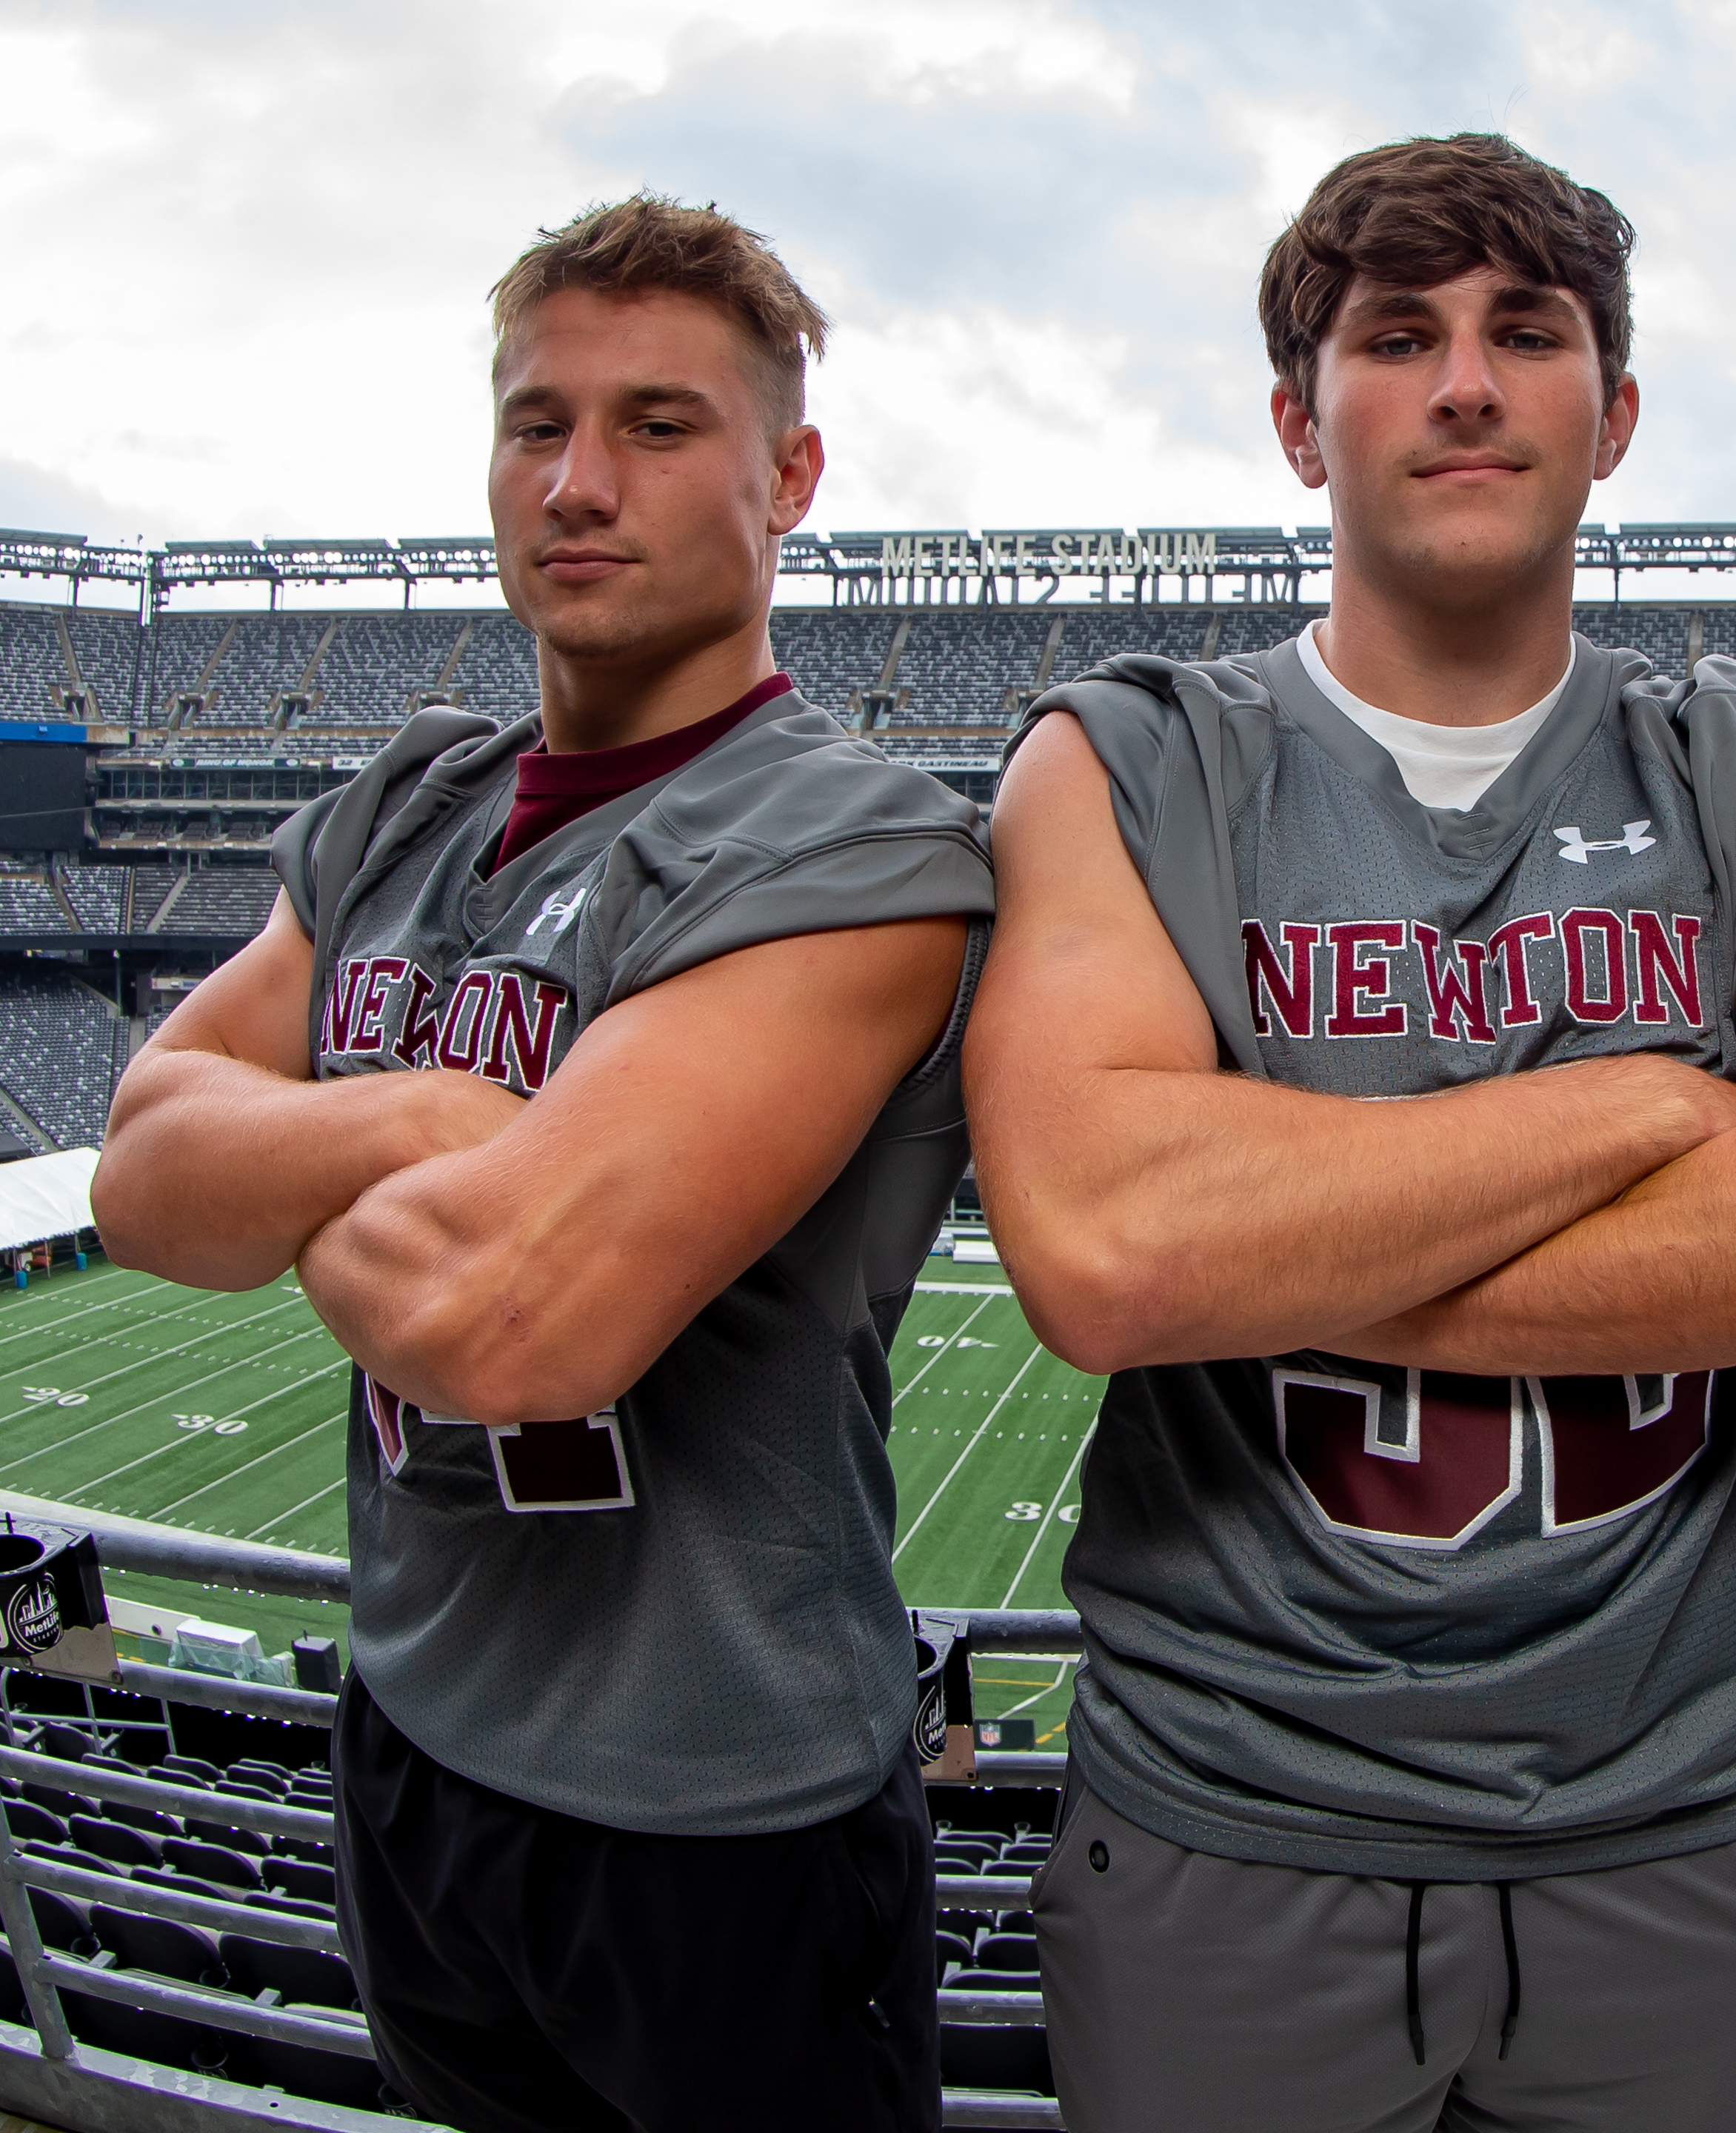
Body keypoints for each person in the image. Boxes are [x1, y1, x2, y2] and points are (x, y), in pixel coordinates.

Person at [963, 133, 1736, 2132]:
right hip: (1231, 1826)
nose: (1464, 383)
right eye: (1398, 335)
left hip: (1667, 1830)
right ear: (1296, 417)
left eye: (1529, 334)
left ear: (1611, 415)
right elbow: (1105, 1248)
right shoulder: (1129, 758)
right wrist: (1644, 1107)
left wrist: (1288, 1228)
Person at [91, 196, 992, 2133]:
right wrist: (421, 1122)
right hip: (411, 1731)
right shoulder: (412, 795)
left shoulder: (857, 845)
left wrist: (306, 1166)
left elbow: (512, 1323)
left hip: (716, 1812)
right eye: (535, 423)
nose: (579, 483)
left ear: (791, 476)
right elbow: (147, 1171)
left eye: (660, 427)